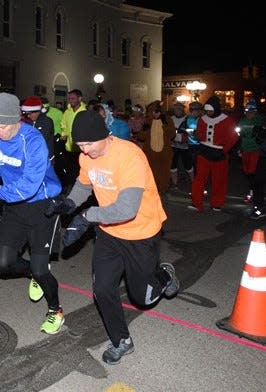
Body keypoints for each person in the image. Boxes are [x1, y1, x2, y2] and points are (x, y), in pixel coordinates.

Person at [54, 110, 180, 364]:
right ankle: (121, 340)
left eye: (90, 144)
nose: (86, 150)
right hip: (109, 233)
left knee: (142, 297)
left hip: (140, 232)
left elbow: (127, 209)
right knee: (102, 289)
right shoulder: (87, 156)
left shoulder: (130, 156)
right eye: (80, 145)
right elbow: (84, 184)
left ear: (105, 136)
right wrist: (69, 203)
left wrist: (87, 216)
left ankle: (164, 274)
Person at [0, 92, 65, 333]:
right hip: (14, 206)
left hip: (42, 205)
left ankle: (56, 309)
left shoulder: (33, 142)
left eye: (2, 126)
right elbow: (0, 163)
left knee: (42, 268)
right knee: (3, 264)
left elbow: (27, 187)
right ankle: (32, 273)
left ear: (17, 120)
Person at [190, 96, 239, 212]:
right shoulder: (203, 119)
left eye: (210, 110)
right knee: (199, 178)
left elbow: (233, 137)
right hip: (204, 151)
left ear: (216, 109)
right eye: (207, 111)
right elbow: (201, 134)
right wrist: (198, 136)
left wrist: (224, 150)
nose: (208, 113)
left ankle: (217, 203)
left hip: (219, 152)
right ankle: (196, 202)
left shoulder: (227, 120)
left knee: (219, 179)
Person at [136, 101, 175, 197]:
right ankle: (152, 189)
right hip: (150, 153)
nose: (154, 114)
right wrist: (147, 128)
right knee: (151, 172)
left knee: (164, 172)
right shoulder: (148, 121)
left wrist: (163, 124)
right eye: (151, 111)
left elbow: (172, 134)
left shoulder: (167, 119)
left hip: (164, 153)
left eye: (156, 111)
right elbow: (141, 136)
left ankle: (163, 190)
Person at [236, 100, 263, 208]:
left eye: (251, 111)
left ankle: (254, 193)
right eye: (247, 111)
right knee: (247, 171)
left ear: (255, 111)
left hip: (256, 149)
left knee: (253, 172)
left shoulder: (260, 120)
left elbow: (263, 135)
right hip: (245, 149)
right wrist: (239, 148)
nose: (249, 113)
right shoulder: (242, 121)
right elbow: (239, 135)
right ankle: (253, 191)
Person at [59, 89, 85, 186]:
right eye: (69, 98)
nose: (71, 100)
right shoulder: (67, 112)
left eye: (73, 98)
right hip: (69, 147)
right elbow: (63, 125)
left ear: (80, 98)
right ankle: (71, 188)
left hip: (81, 148)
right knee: (70, 170)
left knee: (81, 170)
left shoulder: (85, 111)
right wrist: (63, 135)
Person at [168, 102, 194, 189]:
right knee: (173, 165)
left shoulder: (188, 119)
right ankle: (175, 184)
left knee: (188, 165)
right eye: (175, 109)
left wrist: (183, 130)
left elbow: (192, 131)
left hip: (185, 145)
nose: (177, 111)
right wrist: (178, 131)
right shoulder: (171, 118)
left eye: (179, 109)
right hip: (173, 145)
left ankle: (194, 183)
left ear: (182, 109)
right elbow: (169, 130)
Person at [21, 96, 54, 161]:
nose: (28, 116)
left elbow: (41, 139)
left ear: (38, 111)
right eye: (27, 114)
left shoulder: (47, 121)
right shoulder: (29, 121)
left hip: (44, 158)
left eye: (30, 113)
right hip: (31, 157)